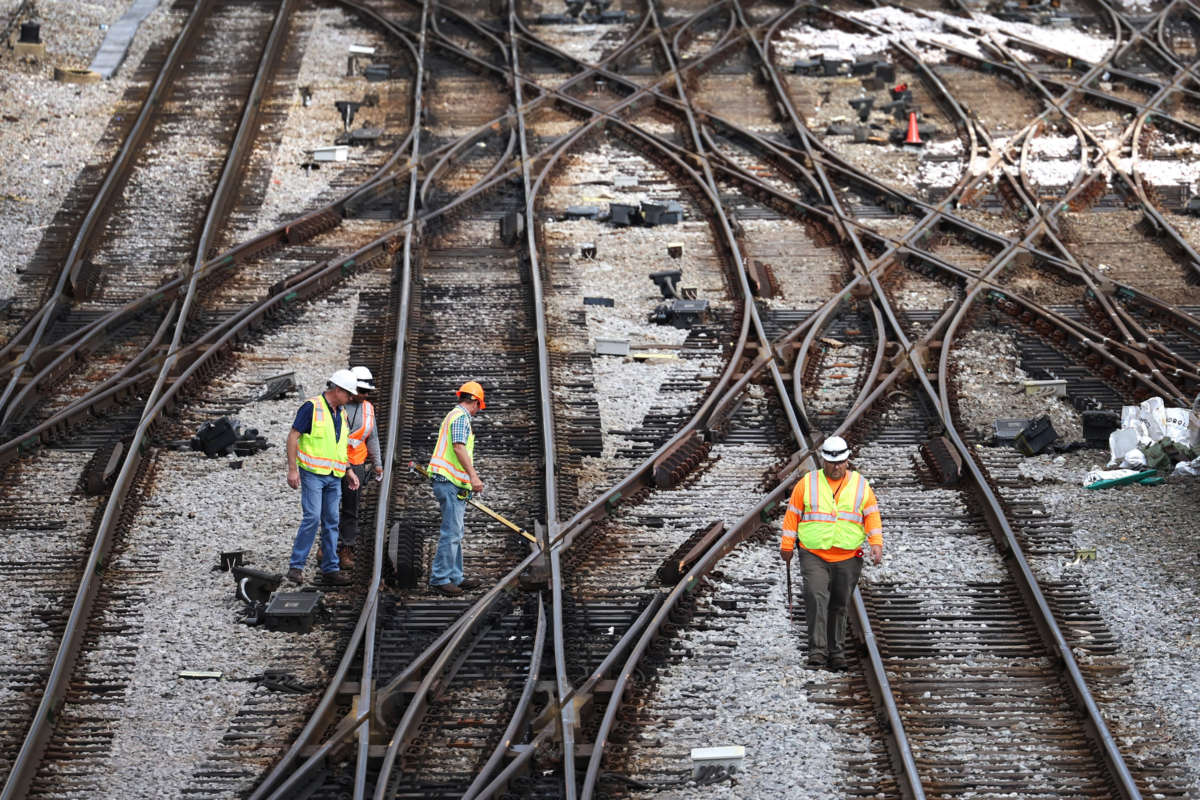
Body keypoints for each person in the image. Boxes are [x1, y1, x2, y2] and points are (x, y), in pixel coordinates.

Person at [779, 435, 882, 671]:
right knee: (816, 597)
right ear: (823, 461)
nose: (836, 466)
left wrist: (876, 543)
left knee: (839, 604)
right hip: (813, 553)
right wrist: (787, 546)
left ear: (847, 460)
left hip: (847, 555)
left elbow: (871, 514)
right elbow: (792, 515)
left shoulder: (860, 485)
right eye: (831, 462)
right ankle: (817, 651)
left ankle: (836, 653)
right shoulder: (807, 483)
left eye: (841, 462)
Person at [285, 369, 360, 586]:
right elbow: (293, 437)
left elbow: (339, 447)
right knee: (312, 518)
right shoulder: (312, 407)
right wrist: (292, 469)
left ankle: (330, 568)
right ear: (337, 390)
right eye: (348, 394)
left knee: (332, 522)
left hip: (334, 475)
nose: (350, 398)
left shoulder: (342, 413)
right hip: (313, 474)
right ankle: (296, 567)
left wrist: (348, 470)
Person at [427, 381, 487, 597]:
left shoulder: (453, 416)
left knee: (456, 531)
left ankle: (455, 576)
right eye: (479, 405)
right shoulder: (461, 417)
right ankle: (441, 578)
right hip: (448, 482)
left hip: (450, 482)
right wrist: (473, 476)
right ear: (475, 402)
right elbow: (458, 447)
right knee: (451, 532)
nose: (479, 410)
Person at [336, 365, 384, 570]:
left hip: (356, 465)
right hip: (335, 462)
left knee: (350, 509)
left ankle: (346, 549)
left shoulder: (368, 408)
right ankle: (326, 548)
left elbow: (372, 437)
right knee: (328, 509)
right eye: (361, 391)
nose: (365, 395)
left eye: (367, 392)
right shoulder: (339, 407)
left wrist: (377, 464)